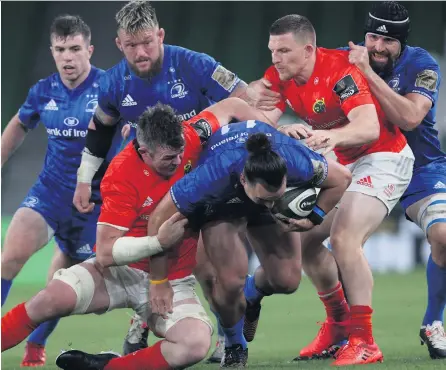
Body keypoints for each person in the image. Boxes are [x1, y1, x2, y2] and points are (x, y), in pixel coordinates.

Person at [1, 97, 273, 370]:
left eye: (180, 153)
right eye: (169, 158)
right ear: (144, 151)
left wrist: (275, 130)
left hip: (175, 279)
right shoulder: (120, 174)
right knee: (48, 301)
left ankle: (108, 367)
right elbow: (106, 253)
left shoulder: (189, 134)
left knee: (195, 344)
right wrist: (158, 242)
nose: (179, 161)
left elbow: (232, 106)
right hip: (119, 272)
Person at [70, 1, 274, 355]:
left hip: (206, 182)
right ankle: (226, 341)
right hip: (153, 191)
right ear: (119, 44)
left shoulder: (195, 64)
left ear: (160, 35)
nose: (141, 51)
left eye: (147, 42)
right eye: (131, 45)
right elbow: (101, 129)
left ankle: (217, 334)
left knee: (220, 275)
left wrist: (260, 143)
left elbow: (242, 100)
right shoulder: (114, 82)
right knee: (168, 262)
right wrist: (85, 178)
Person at [248, 14, 415, 365]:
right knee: (307, 242)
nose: (275, 58)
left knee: (343, 238)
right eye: (272, 50)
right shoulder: (280, 77)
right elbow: (260, 118)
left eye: (283, 50)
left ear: (308, 49)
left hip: (384, 157)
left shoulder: (340, 71)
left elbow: (369, 127)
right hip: (344, 162)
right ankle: (339, 324)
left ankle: (365, 339)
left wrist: (332, 137)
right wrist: (274, 127)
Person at [134, 120, 352, 367]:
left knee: (288, 280)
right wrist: (158, 281)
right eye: (266, 199)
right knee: (228, 283)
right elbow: (158, 219)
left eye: (276, 198)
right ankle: (235, 343)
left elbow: (342, 178)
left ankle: (251, 295)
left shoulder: (295, 160)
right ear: (244, 180)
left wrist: (313, 218)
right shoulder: (211, 176)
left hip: (256, 190)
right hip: (222, 205)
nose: (271, 207)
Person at [0, 15, 105, 367]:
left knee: (63, 287)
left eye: (75, 48)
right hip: (49, 192)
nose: (68, 57)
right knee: (8, 258)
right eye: (60, 50)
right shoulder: (43, 90)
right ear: (52, 52)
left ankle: (36, 344)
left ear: (89, 50)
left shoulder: (110, 89)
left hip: (93, 203)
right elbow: (18, 124)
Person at [345, 1, 445, 359]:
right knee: (324, 241)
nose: (377, 47)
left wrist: (368, 75)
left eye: (388, 41)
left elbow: (411, 118)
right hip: (366, 165)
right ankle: (342, 329)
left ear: (402, 43)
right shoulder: (346, 58)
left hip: (421, 166)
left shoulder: (422, 66)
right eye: (373, 37)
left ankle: (433, 322)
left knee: (444, 236)